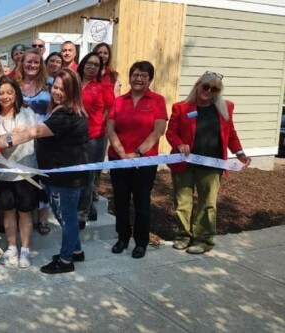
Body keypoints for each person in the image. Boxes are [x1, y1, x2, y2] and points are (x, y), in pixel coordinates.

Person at [0, 69, 89, 274]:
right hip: (56, 176)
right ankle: (75, 250)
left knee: (66, 218)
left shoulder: (67, 114)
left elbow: (35, 131)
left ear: (74, 90)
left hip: (65, 178)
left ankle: (66, 260)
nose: (58, 92)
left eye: (64, 88)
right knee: (65, 217)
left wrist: (6, 139)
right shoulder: (62, 110)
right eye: (56, 87)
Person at [166, 71, 251, 254]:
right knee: (183, 202)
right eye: (205, 86)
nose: (208, 91)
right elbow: (171, 132)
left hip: (212, 165)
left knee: (208, 203)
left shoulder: (225, 108)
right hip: (185, 164)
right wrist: (179, 144)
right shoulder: (181, 108)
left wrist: (240, 153)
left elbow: (231, 134)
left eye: (214, 89)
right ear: (198, 85)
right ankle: (183, 236)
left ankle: (204, 240)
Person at [106, 61, 168, 259]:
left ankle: (141, 242)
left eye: (143, 75)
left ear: (149, 79)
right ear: (130, 77)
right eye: (135, 74)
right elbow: (110, 128)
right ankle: (123, 237)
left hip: (145, 161)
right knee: (121, 200)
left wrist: (138, 153)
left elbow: (159, 130)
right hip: (119, 159)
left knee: (141, 201)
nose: (138, 78)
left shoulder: (157, 100)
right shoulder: (118, 101)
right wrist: (123, 154)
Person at [0, 76, 38, 268]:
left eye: (9, 92)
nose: (5, 96)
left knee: (25, 212)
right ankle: (11, 247)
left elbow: (22, 134)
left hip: (24, 172)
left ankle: (25, 249)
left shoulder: (26, 113)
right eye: (1, 93)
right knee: (8, 212)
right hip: (2, 174)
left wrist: (1, 138)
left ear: (16, 94)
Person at [76, 52, 115, 228]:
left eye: (96, 65)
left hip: (94, 136)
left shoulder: (102, 87)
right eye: (89, 63)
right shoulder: (74, 82)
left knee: (88, 176)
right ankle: (90, 209)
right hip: (75, 135)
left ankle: (81, 214)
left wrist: (100, 123)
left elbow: (110, 109)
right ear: (83, 64)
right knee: (78, 175)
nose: (92, 67)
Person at [15, 47, 52, 235]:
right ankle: (22, 216)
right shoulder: (15, 84)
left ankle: (43, 219)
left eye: (36, 62)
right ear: (22, 63)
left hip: (43, 139)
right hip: (21, 140)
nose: (32, 65)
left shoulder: (50, 84)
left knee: (42, 178)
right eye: (29, 61)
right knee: (22, 178)